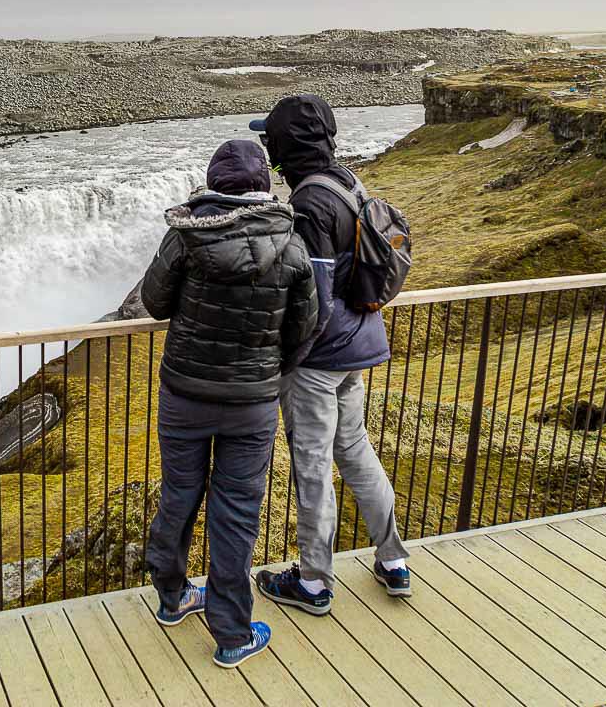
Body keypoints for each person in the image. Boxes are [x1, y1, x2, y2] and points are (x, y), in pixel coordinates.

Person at [140, 138, 318, 668]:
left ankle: (172, 598)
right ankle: (233, 634)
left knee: (179, 495)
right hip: (252, 406)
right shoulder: (291, 244)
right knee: (236, 514)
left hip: (184, 395)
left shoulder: (186, 236)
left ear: (213, 180)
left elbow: (154, 303)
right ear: (264, 183)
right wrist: (269, 373)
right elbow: (303, 328)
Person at [251, 94, 412, 614]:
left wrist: (289, 356)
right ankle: (393, 561)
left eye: (269, 139)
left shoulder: (308, 205)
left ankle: (315, 583)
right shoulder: (345, 182)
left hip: (321, 360)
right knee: (356, 451)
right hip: (358, 344)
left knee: (313, 465)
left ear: (284, 147)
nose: (266, 148)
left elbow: (313, 296)